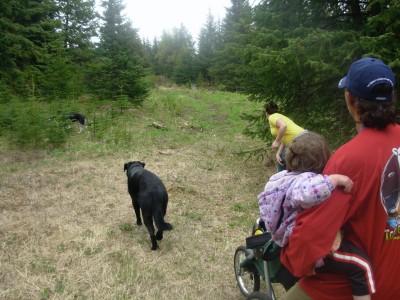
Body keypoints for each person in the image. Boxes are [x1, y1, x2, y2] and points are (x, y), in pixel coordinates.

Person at [281, 57, 400, 299]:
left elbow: (312, 237)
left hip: (358, 287)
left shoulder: (347, 159)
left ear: (349, 99)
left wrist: (290, 256)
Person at [258, 131, 373, 300]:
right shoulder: (305, 181)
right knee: (360, 265)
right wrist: (334, 179)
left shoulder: (281, 178)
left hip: (287, 240)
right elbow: (307, 193)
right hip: (303, 243)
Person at [265, 102, 306, 171]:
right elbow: (284, 138)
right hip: (304, 136)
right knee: (281, 158)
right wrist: (279, 152)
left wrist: (276, 141)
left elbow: (283, 126)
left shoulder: (272, 117)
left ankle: (282, 180)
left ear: (266, 113)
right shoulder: (280, 116)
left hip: (298, 139)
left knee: (283, 162)